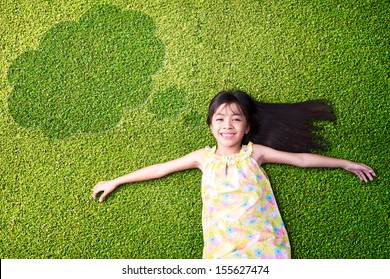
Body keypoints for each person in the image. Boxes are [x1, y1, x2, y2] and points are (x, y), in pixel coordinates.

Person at [92, 89, 376, 259]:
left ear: (247, 127)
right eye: (220, 119)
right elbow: (160, 169)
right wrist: (117, 180)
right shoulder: (202, 158)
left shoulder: (255, 153)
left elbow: (300, 159)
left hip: (262, 245)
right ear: (211, 125)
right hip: (222, 251)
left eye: (235, 119)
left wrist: (344, 163)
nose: (227, 125)